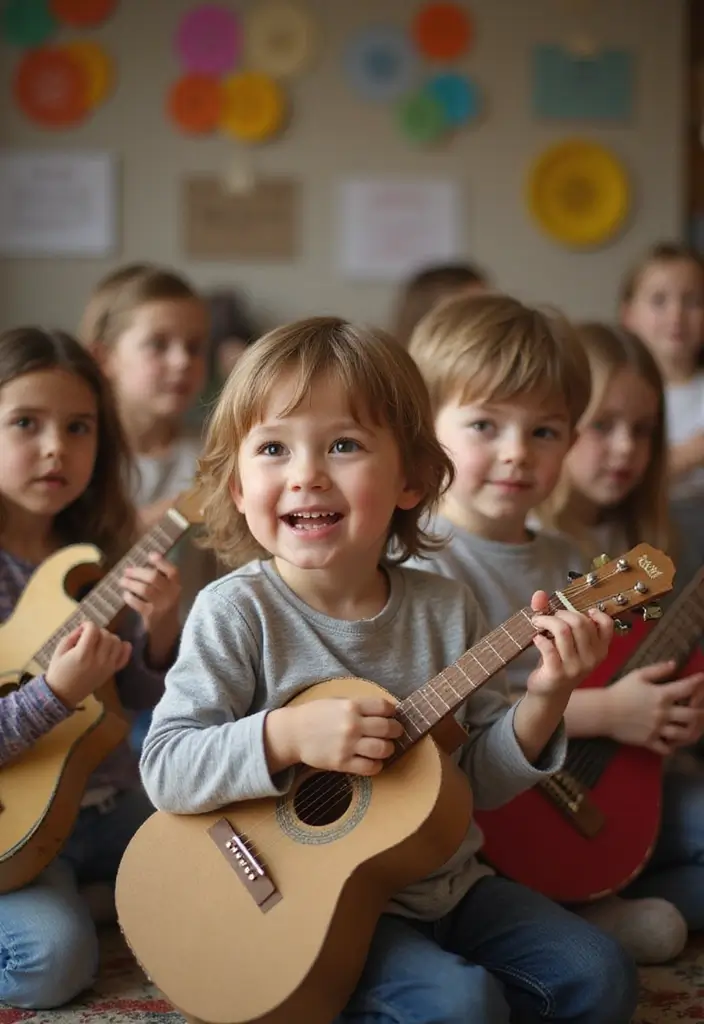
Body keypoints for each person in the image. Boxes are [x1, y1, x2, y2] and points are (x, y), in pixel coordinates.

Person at [139, 316, 638, 1023]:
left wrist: (549, 694)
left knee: (602, 975)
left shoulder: (446, 609)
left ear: (411, 478)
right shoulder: (234, 612)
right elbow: (165, 765)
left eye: (344, 445)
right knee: (463, 1005)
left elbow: (477, 787)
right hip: (311, 902)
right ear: (238, 489)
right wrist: (284, 736)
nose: (307, 473)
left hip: (447, 886)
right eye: (274, 448)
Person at [408, 295, 700, 963]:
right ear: (426, 430)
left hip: (565, 782)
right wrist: (603, 709)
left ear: (567, 440)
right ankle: (566, 915)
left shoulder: (571, 564)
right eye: (485, 425)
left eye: (544, 432)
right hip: (473, 809)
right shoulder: (413, 566)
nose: (517, 454)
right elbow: (433, 726)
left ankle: (583, 900)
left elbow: (603, 674)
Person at [0, 327, 181, 1008]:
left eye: (79, 428)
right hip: (14, 823)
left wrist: (160, 629)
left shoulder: (93, 560)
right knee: (48, 963)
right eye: (26, 423)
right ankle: (86, 904)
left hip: (107, 801)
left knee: (238, 871)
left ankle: (97, 897)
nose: (56, 447)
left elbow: (132, 697)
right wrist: (52, 693)